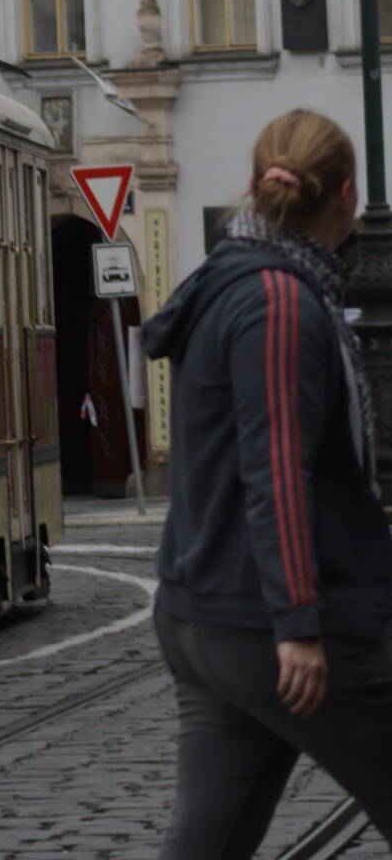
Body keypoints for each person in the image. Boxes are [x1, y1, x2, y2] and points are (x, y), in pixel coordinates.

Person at [145, 109, 392, 857]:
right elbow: (275, 463)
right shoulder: (281, 301)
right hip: (272, 627)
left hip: (205, 616)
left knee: (208, 844)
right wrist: (297, 625)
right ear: (347, 196)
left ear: (255, 187)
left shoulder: (221, 282)